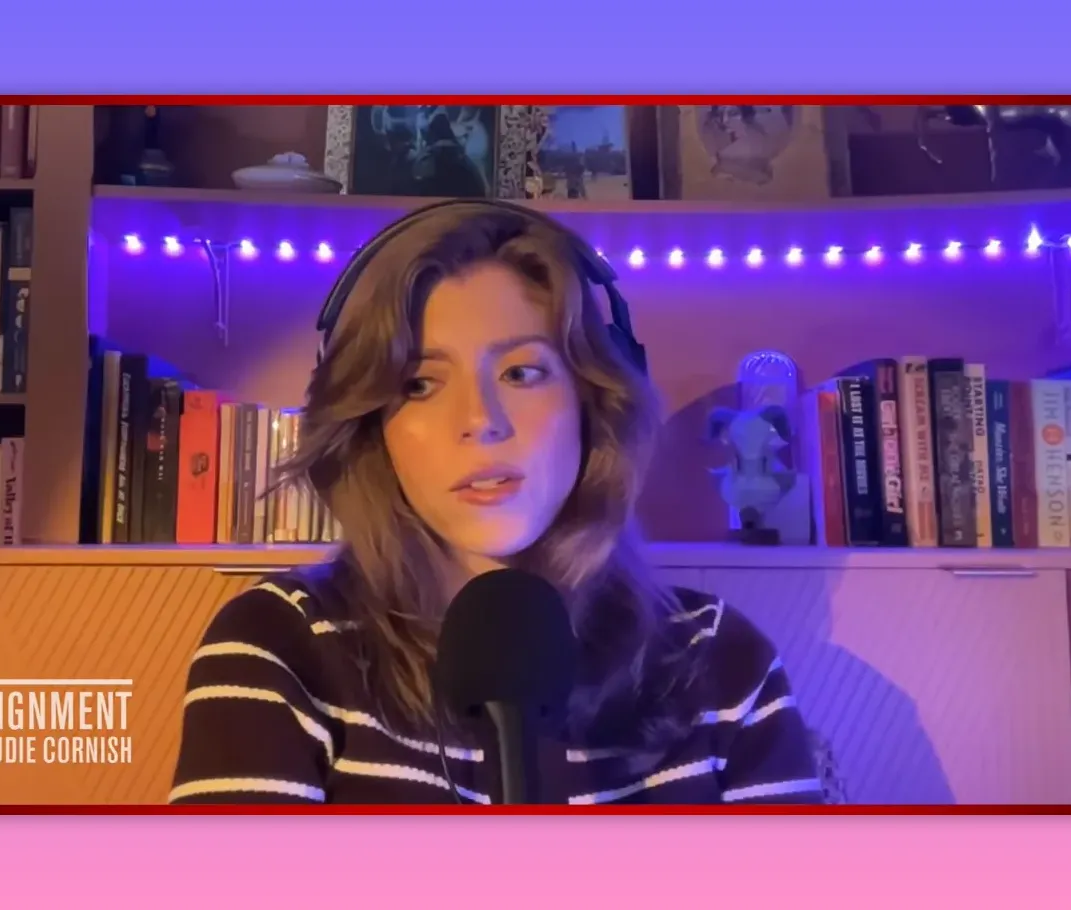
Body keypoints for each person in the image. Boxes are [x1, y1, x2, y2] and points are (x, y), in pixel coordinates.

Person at [167, 203, 825, 806]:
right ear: (373, 427)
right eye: (420, 383)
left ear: (592, 403)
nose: (481, 421)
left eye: (521, 373)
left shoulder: (718, 657)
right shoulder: (281, 647)